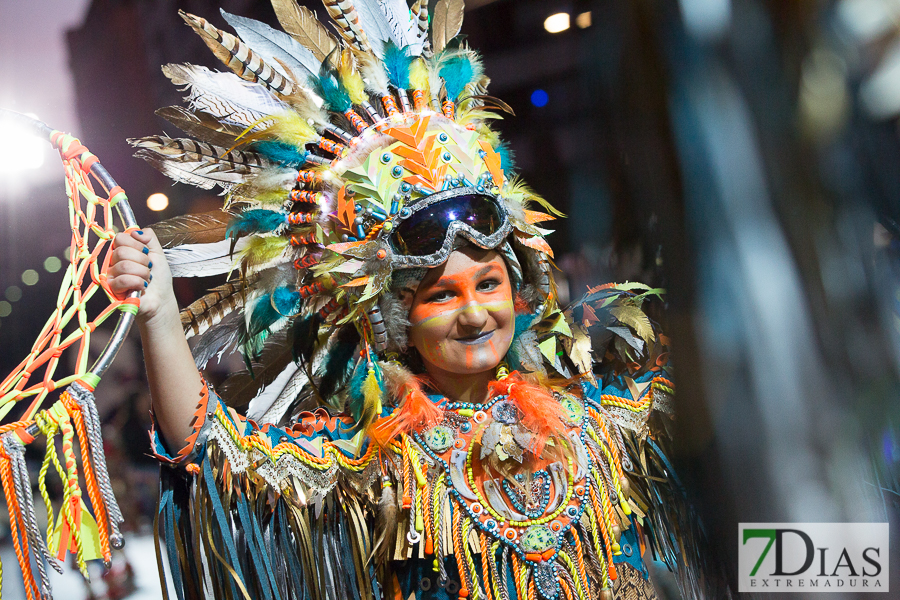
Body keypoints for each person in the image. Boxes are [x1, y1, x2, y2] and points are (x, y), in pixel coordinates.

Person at [108, 1, 688, 598]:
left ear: (520, 286)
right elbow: (212, 451)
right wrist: (157, 314)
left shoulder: (592, 418)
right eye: (441, 295)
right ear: (394, 323)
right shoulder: (380, 460)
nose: (474, 313)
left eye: (489, 284)